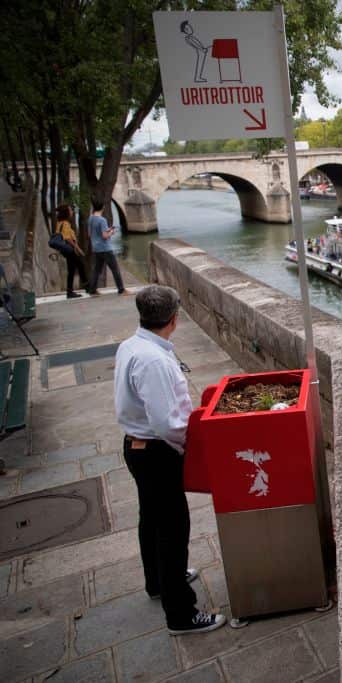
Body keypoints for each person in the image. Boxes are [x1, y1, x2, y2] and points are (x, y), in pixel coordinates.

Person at [114, 286, 225, 636]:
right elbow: (167, 423)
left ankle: (158, 581)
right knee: (173, 530)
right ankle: (181, 613)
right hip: (158, 451)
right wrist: (189, 448)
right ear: (174, 319)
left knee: (152, 520)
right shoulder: (154, 360)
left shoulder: (131, 345)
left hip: (137, 447)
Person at [86, 199, 127, 296]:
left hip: (96, 248)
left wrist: (107, 230)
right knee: (115, 269)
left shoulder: (91, 218)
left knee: (97, 270)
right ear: (103, 207)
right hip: (105, 248)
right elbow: (105, 236)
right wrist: (111, 232)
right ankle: (121, 289)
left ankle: (92, 290)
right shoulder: (102, 220)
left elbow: (89, 234)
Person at [55, 205, 87, 299]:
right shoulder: (65, 224)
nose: (72, 212)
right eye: (70, 210)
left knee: (72, 270)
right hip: (69, 249)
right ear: (66, 213)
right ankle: (86, 285)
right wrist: (77, 248)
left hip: (66, 249)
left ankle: (70, 292)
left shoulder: (60, 223)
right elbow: (67, 238)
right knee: (80, 265)